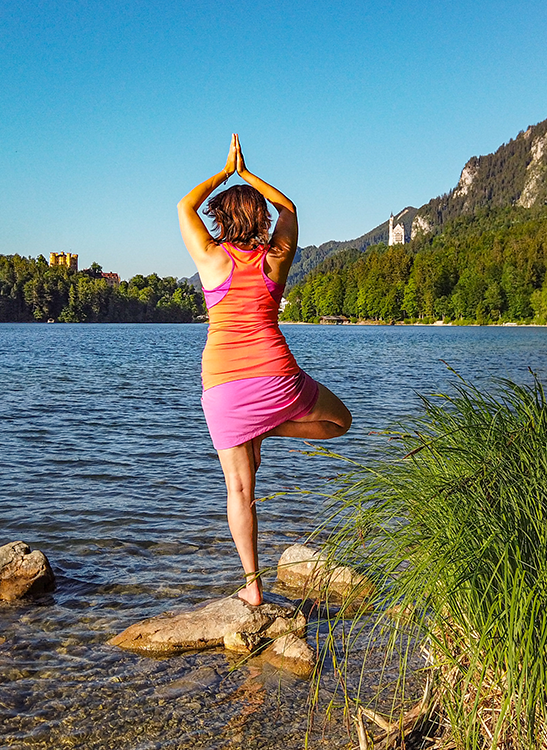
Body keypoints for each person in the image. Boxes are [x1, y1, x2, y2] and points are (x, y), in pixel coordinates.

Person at [178, 134, 352, 606]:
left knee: (238, 489)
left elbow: (184, 206)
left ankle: (252, 587)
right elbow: (290, 207)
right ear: (258, 218)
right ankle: (272, 428)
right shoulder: (275, 258)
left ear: (222, 218)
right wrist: (249, 174)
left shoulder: (211, 260)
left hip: (222, 387)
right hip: (277, 377)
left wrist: (225, 171)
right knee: (342, 421)